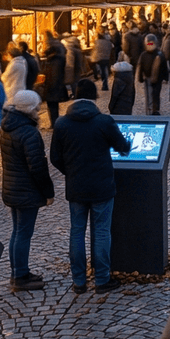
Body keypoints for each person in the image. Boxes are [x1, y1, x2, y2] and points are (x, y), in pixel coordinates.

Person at [49, 91, 131, 293]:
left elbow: (55, 157)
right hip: (101, 186)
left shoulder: (61, 124)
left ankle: (79, 281)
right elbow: (123, 147)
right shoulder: (103, 121)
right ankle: (102, 279)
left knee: (77, 231)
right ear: (93, 100)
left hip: (76, 187)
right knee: (102, 231)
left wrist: (71, 172)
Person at [0, 90, 55, 290]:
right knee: (23, 233)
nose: (39, 110)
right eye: (37, 107)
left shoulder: (7, 127)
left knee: (18, 232)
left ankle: (19, 271)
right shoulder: (29, 132)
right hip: (26, 190)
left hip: (12, 187)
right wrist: (48, 193)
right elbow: (37, 167)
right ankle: (20, 277)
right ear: (30, 109)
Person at [40, 34, 68, 127]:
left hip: (52, 86)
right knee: (53, 106)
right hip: (55, 85)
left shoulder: (54, 60)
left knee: (52, 106)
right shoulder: (58, 58)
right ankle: (54, 123)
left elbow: (53, 74)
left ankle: (54, 123)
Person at [139, 35, 166, 115]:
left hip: (158, 78)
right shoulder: (144, 55)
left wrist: (165, 76)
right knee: (149, 94)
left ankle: (155, 109)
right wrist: (140, 77)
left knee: (156, 93)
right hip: (147, 78)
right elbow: (141, 66)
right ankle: (150, 108)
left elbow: (164, 66)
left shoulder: (160, 54)